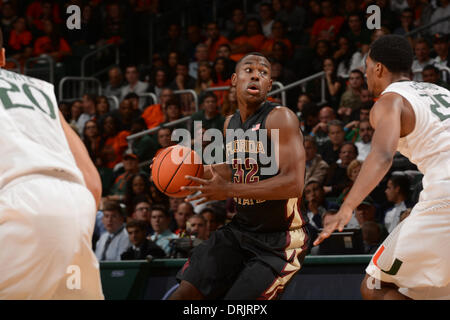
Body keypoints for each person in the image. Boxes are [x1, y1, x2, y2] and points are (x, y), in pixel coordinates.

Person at [314, 35, 450, 300]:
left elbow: (382, 155)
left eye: (366, 68)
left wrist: (346, 208)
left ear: (378, 68)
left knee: (374, 286)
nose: (366, 76)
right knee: (432, 293)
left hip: (445, 198)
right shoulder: (442, 92)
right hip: (440, 199)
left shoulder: (390, 101)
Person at [170, 52, 308, 300]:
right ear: (234, 79)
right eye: (249, 70)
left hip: (280, 239)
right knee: (183, 295)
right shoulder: (229, 123)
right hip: (240, 232)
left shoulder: (280, 118)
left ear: (269, 85)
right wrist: (186, 171)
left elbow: (294, 184)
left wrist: (229, 190)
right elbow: (238, 166)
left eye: (264, 73)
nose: (256, 74)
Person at [0, 30, 103, 299]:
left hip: (16, 207)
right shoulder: (40, 91)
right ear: (2, 57)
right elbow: (92, 183)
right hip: (75, 205)